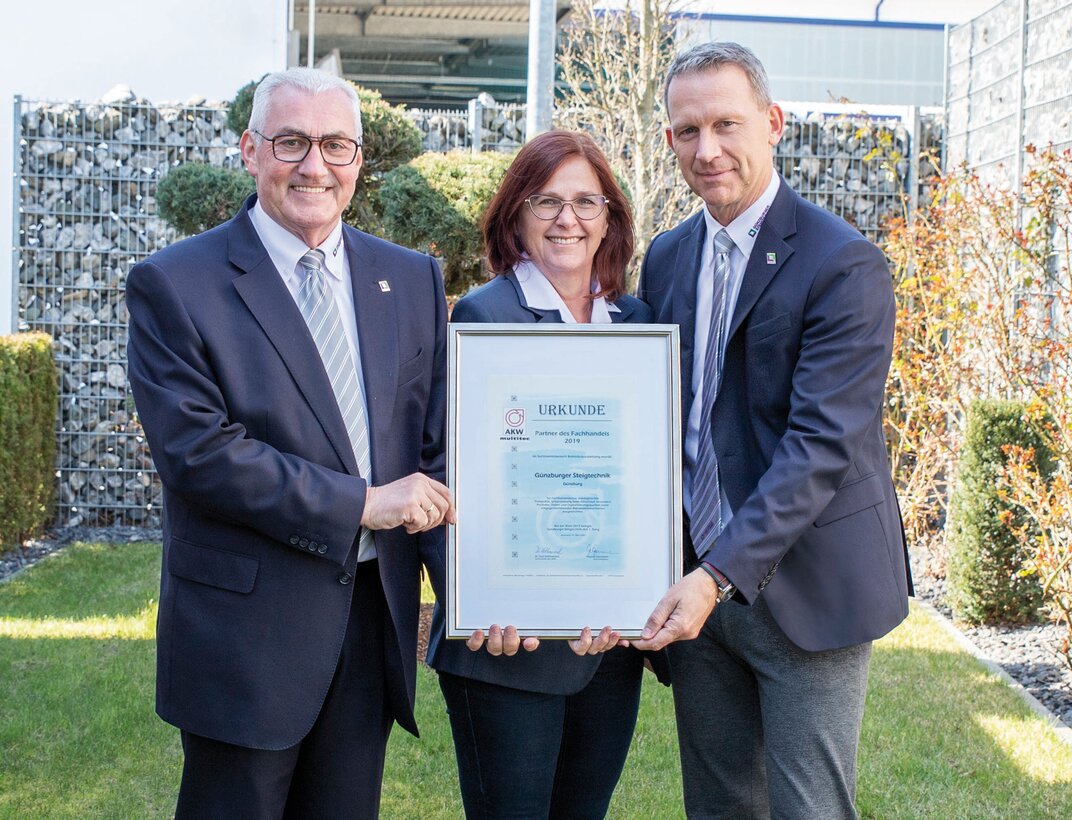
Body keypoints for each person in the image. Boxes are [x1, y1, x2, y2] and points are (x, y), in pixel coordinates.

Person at [126, 67, 454, 818]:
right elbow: (198, 454)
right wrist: (364, 503)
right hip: (244, 634)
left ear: (360, 159)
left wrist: (499, 589)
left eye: (336, 145)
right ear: (249, 150)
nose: (315, 166)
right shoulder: (176, 284)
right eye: (291, 142)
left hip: (371, 623)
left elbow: (434, 448)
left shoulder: (409, 280)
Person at [632, 42, 913, 818]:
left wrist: (716, 574)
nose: (708, 149)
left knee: (808, 807)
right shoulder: (666, 258)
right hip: (696, 589)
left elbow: (820, 446)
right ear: (669, 141)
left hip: (807, 584)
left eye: (727, 124)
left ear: (773, 123)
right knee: (719, 802)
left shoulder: (842, 263)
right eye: (687, 131)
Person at [426, 130, 660, 819]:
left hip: (609, 645)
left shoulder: (640, 323)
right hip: (509, 643)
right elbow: (442, 466)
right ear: (515, 217)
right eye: (547, 201)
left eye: (587, 202)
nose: (568, 219)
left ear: (611, 218)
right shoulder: (482, 316)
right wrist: (472, 597)